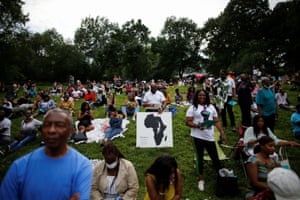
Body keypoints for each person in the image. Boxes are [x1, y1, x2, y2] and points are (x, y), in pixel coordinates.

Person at [0, 108, 93, 199]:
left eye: (59, 125)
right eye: (47, 125)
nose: (51, 130)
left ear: (70, 132)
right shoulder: (20, 167)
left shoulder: (82, 166)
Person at [185, 89, 226, 191]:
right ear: (196, 96)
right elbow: (187, 122)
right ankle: (201, 179)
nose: (202, 97)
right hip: (197, 136)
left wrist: (222, 132)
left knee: (215, 158)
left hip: (210, 137)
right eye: (200, 95)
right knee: (199, 158)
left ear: (207, 96)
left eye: (204, 95)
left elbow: (216, 121)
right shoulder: (193, 108)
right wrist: (197, 125)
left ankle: (221, 177)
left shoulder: (211, 107)